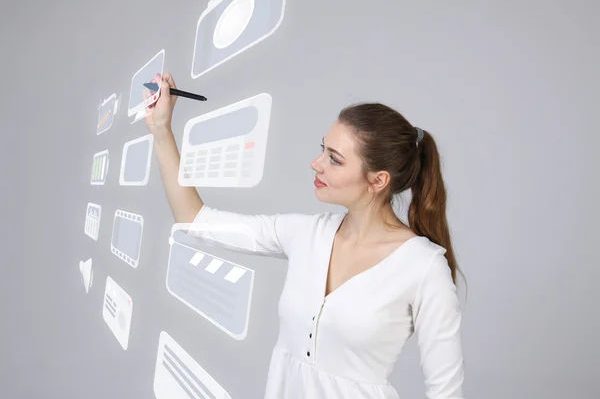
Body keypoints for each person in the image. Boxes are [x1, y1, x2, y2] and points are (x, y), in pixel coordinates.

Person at [145, 72, 466, 399]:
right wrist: (160, 130)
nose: (316, 164)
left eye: (334, 160)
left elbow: (446, 392)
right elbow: (195, 221)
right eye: (323, 150)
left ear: (378, 180)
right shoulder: (305, 233)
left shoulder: (423, 267)